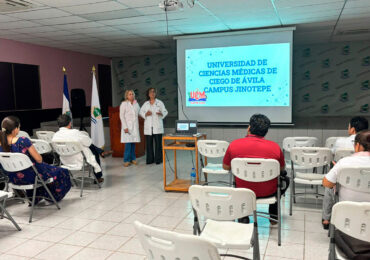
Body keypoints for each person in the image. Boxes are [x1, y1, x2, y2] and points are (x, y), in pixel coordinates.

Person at [222, 114, 289, 223]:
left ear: (249, 128)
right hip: (268, 192)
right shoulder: (275, 147)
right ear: (266, 131)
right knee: (285, 179)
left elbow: (225, 167)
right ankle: (273, 214)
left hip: (243, 191)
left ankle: (243, 215)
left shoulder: (234, 145)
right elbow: (281, 169)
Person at [0, 116, 71, 202]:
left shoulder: (1, 144)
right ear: (15, 129)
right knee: (62, 171)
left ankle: (36, 197)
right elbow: (39, 159)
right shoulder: (22, 140)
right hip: (32, 177)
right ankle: (54, 197)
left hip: (13, 179)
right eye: (19, 127)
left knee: (43, 170)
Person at [322, 130, 370, 229]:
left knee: (330, 186)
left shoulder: (344, 163)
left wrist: (336, 173)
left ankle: (326, 219)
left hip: (347, 209)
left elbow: (326, 183)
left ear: (357, 146)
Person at [52, 114, 108, 183]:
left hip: (65, 161)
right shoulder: (75, 132)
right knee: (91, 149)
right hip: (79, 160)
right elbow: (89, 142)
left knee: (86, 146)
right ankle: (98, 176)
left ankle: (100, 151)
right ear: (70, 123)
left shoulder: (55, 136)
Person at [139, 88, 168, 164]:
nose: (152, 93)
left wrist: (161, 114)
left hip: (157, 127)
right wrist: (145, 114)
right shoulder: (146, 104)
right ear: (148, 94)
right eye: (151, 92)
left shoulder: (160, 103)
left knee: (158, 144)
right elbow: (140, 112)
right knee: (149, 145)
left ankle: (158, 160)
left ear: (155, 93)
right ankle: (150, 160)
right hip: (149, 127)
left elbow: (165, 111)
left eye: (154, 92)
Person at [120, 89, 140, 167]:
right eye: (130, 94)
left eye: (132, 94)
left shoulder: (136, 103)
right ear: (127, 96)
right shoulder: (124, 104)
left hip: (134, 126)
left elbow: (139, 112)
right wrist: (125, 127)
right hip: (127, 126)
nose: (131, 95)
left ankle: (133, 158)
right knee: (128, 143)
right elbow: (121, 116)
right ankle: (126, 160)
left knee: (133, 143)